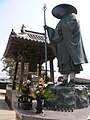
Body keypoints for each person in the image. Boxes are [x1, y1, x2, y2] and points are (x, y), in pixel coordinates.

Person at [44, 4, 88, 86]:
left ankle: (72, 80)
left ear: (66, 10)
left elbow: (74, 25)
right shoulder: (60, 21)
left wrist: (63, 27)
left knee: (70, 61)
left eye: (62, 10)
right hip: (61, 44)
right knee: (63, 62)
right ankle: (64, 80)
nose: (61, 12)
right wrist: (49, 29)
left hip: (69, 43)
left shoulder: (72, 16)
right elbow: (56, 32)